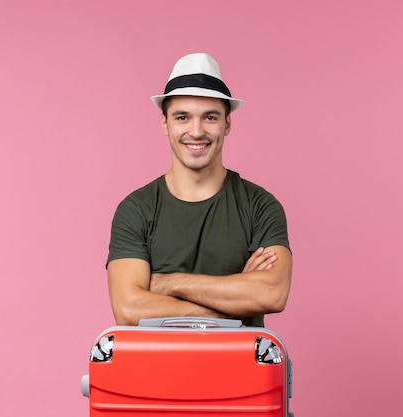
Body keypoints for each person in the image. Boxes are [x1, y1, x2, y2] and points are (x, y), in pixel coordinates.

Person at [106, 53, 292, 327]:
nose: (196, 131)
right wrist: (235, 301)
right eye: (182, 117)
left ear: (227, 123)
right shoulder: (137, 209)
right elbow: (129, 308)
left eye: (210, 117)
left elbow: (271, 293)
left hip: (240, 369)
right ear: (165, 123)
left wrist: (170, 283)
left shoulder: (259, 206)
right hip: (156, 369)